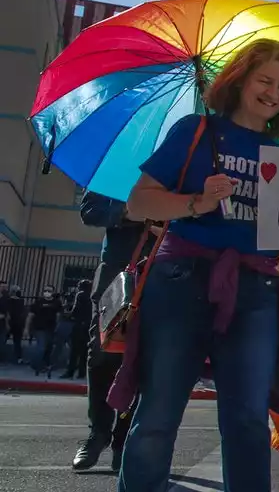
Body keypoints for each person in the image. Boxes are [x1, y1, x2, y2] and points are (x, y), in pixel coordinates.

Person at [114, 38, 279, 492]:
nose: (274, 93)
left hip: (254, 291)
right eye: (265, 80)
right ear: (240, 78)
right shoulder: (193, 132)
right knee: (158, 412)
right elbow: (137, 203)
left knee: (248, 418)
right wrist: (197, 201)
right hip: (180, 281)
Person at [72, 191, 152, 473]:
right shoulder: (117, 164)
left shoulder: (173, 165)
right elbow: (89, 210)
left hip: (158, 269)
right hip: (115, 271)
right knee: (101, 356)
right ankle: (98, 433)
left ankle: (123, 441)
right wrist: (129, 211)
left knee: (143, 361)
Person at [27, 285, 62, 375]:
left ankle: (45, 365)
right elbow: (30, 316)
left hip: (51, 329)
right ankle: (36, 365)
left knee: (48, 348)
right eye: (45, 290)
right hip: (39, 328)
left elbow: (58, 316)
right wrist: (26, 328)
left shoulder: (56, 303)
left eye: (49, 291)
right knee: (41, 347)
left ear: (53, 292)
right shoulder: (38, 302)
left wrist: (57, 327)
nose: (47, 292)